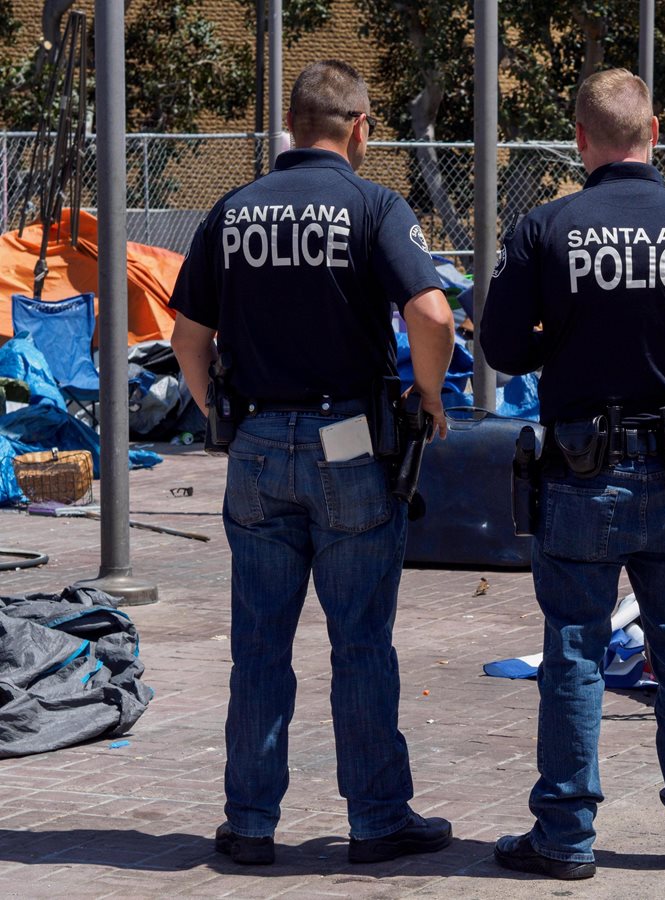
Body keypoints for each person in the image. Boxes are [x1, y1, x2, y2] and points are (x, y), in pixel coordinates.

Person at [479, 67, 665, 880]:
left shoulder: (546, 227)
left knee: (574, 649)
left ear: (582, 141)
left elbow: (501, 347)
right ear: (655, 136)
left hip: (582, 472)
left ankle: (565, 838)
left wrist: (561, 348)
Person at [169, 59, 456, 867]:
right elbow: (432, 314)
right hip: (350, 443)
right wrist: (427, 395)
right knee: (360, 640)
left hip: (257, 444)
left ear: (292, 125)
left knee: (259, 643)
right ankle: (376, 819)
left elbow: (187, 335)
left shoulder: (232, 211)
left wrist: (215, 408)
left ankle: (250, 824)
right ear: (359, 127)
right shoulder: (373, 206)